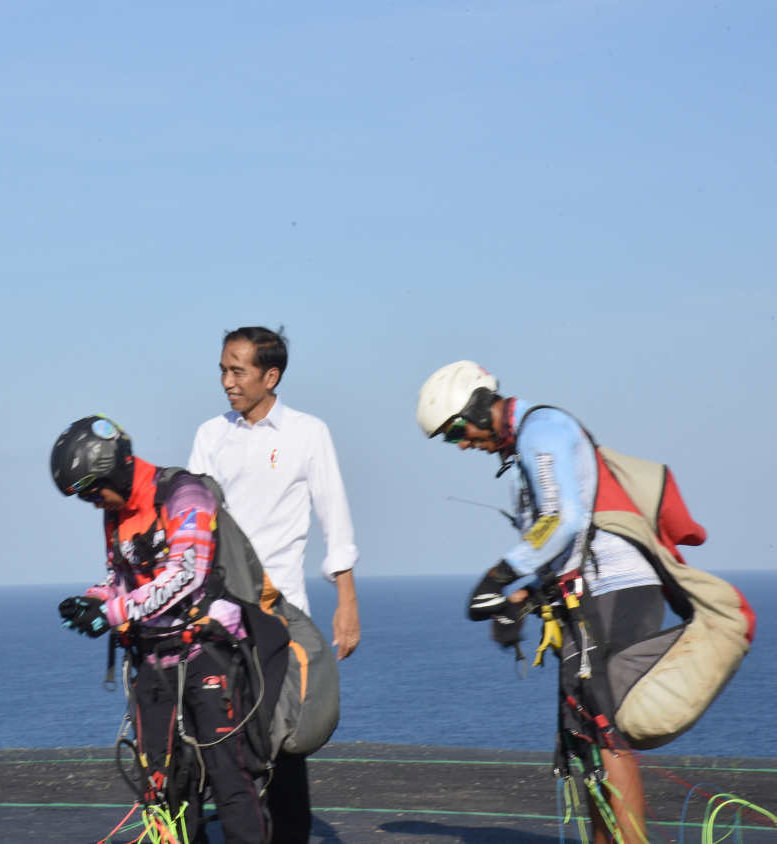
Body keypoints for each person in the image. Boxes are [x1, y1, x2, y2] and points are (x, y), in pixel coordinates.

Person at [416, 360, 660, 844]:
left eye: (456, 431)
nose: (462, 443)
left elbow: (562, 519)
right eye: (449, 439)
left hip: (616, 589)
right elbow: (559, 544)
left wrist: (499, 575)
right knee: (588, 735)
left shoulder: (540, 430)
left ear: (480, 407)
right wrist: (519, 600)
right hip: (590, 593)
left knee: (609, 733)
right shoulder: (526, 451)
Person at [51, 415, 271, 844]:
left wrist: (112, 613)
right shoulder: (115, 515)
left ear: (111, 468)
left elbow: (185, 575)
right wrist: (92, 601)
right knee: (165, 791)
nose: (93, 503)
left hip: (208, 653)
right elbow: (122, 579)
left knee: (231, 783)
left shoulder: (185, 493)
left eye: (92, 491)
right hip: (153, 662)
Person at [187, 326, 360, 844]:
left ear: (271, 375)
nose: (227, 381)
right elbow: (191, 523)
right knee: (212, 730)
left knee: (282, 737)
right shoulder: (209, 435)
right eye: (222, 368)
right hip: (217, 611)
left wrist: (346, 602)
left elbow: (336, 517)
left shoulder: (308, 433)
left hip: (280, 612)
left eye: (238, 370)